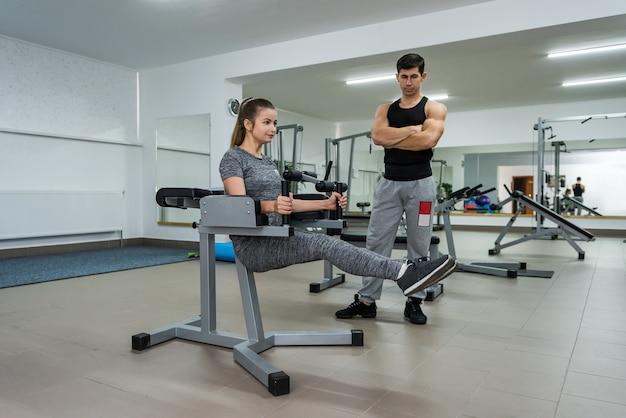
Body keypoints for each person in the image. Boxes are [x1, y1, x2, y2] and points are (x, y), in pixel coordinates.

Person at [219, 97, 457, 302]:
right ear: (248, 124)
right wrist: (271, 205)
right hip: (254, 245)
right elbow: (240, 208)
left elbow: (287, 204)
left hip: (275, 236)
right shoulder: (233, 158)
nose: (273, 128)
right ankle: (404, 272)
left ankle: (404, 271)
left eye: (275, 123)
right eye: (267, 122)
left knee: (333, 245)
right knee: (328, 245)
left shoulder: (267, 162)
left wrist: (325, 204)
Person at [335, 53, 449, 325]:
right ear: (396, 77)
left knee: (419, 245)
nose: (408, 82)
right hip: (388, 185)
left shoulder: (434, 108)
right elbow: (378, 137)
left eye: (414, 76)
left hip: (421, 186)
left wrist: (394, 138)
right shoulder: (384, 109)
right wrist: (411, 130)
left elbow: (428, 140)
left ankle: (414, 301)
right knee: (375, 243)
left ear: (423, 76)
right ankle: (366, 300)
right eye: (404, 76)